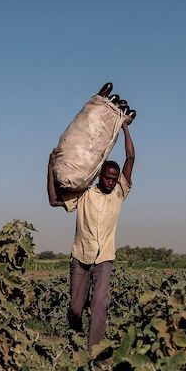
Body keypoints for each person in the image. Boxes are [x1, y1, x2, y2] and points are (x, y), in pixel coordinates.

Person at [47, 121, 135, 352]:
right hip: (80, 256)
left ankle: (94, 350)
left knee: (99, 305)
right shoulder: (85, 193)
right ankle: (75, 344)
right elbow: (53, 200)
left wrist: (123, 127)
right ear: (100, 176)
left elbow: (130, 158)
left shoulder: (119, 193)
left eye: (115, 178)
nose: (111, 181)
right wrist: (50, 166)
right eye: (108, 177)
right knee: (75, 308)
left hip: (104, 257)